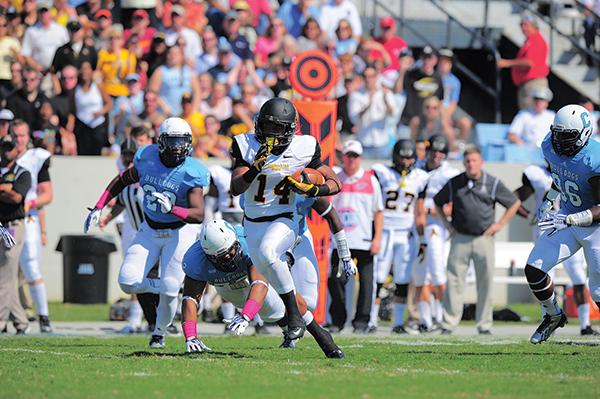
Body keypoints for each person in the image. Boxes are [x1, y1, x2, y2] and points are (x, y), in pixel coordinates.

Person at [83, 117, 209, 349]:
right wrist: (100, 206)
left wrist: (173, 209)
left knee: (170, 289)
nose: (179, 147)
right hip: (149, 229)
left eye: (183, 141)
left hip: (178, 233)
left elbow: (198, 213)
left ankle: (158, 333)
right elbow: (122, 180)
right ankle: (166, 286)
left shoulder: (192, 171)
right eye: (173, 141)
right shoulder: (146, 157)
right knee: (128, 281)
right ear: (161, 142)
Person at [230, 97, 342, 340]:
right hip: (253, 223)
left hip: (287, 219)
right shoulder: (245, 145)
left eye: (277, 128)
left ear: (290, 129)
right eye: (266, 126)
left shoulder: (304, 148)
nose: (270, 133)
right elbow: (236, 187)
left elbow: (335, 183)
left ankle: (293, 317)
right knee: (274, 278)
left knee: (275, 259)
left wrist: (314, 190)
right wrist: (253, 169)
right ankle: (313, 332)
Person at [182, 219, 345, 357]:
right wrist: (191, 336)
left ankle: (314, 334)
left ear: (236, 242)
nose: (228, 258)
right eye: (220, 256)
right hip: (225, 286)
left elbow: (260, 284)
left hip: (252, 273)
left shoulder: (248, 241)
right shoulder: (195, 260)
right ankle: (289, 331)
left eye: (230, 251)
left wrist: (246, 315)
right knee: (270, 312)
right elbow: (190, 299)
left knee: (282, 302)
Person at [525, 104, 600, 344]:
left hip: (594, 227)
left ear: (584, 133)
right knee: (534, 268)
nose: (560, 141)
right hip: (566, 217)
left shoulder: (594, 159)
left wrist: (575, 218)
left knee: (598, 291)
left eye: (567, 136)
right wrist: (549, 199)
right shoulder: (550, 144)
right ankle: (553, 315)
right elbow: (562, 176)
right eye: (557, 134)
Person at [434, 146, 520, 334]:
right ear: (464, 163)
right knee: (454, 281)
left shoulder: (492, 182)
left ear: (481, 162)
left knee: (485, 283)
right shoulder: (455, 183)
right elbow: (437, 201)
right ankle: (449, 324)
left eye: (474, 161)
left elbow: (514, 203)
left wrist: (499, 225)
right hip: (460, 238)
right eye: (467, 161)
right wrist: (448, 225)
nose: (471, 164)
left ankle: (484, 325)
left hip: (484, 238)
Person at [515, 162, 599, 336]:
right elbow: (515, 198)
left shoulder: (577, 168)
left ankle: (585, 324)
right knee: (543, 274)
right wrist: (530, 216)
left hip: (573, 225)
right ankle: (549, 320)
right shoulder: (535, 173)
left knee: (578, 277)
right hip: (548, 229)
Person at [370, 139, 429, 334]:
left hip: (406, 234)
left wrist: (423, 240)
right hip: (385, 231)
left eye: (410, 157)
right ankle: (372, 320)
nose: (406, 161)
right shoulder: (381, 173)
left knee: (403, 279)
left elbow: (419, 212)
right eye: (403, 157)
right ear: (395, 157)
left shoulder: (420, 177)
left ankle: (397, 322)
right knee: (378, 277)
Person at [329, 140, 383, 333]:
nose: (351, 160)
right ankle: (338, 320)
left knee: (367, 284)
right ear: (343, 156)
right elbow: (328, 207)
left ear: (360, 158)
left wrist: (377, 239)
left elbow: (378, 212)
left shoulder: (370, 180)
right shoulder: (335, 177)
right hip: (341, 241)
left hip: (364, 240)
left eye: (355, 156)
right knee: (336, 281)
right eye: (348, 155)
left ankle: (362, 322)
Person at [411, 135, 459, 331]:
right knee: (419, 274)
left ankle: (441, 317)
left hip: (435, 225)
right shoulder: (415, 170)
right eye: (434, 152)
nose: (437, 156)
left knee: (438, 272)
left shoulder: (449, 174)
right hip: (413, 226)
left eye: (441, 152)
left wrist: (432, 211)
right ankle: (425, 320)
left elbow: (454, 207)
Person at [13, 120, 53, 333]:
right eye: (15, 135)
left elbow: (47, 193)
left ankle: (44, 317)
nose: (18, 140)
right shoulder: (5, 156)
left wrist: (30, 202)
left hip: (27, 217)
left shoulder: (36, 158)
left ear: (28, 136)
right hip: (5, 218)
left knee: (31, 265)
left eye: (22, 135)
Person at [0, 132, 31, 335]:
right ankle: (21, 321)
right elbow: (7, 193)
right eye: (3, 147)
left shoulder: (23, 172)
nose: (6, 151)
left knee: (6, 272)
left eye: (9, 147)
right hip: (1, 225)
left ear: (16, 149)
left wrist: (6, 190)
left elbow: (16, 196)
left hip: (13, 225)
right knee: (5, 273)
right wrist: (4, 189)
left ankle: (1, 319)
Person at [497, 14, 549, 110]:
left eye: (526, 25)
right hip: (527, 84)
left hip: (534, 84)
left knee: (532, 115)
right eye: (521, 25)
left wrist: (506, 63)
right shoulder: (529, 41)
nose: (523, 28)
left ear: (533, 25)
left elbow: (529, 63)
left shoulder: (537, 40)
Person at [348, 66, 398, 159]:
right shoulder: (356, 95)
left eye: (371, 76)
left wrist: (385, 100)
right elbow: (354, 119)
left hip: (382, 144)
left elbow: (393, 114)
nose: (368, 79)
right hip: (364, 143)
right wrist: (368, 105)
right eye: (366, 76)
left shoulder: (386, 93)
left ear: (376, 77)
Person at [69, 61, 112, 155]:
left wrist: (101, 112)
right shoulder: (76, 90)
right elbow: (72, 109)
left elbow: (109, 103)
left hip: (97, 125)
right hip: (82, 126)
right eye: (82, 69)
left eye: (87, 68)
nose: (84, 71)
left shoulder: (97, 86)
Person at [20, 0, 69, 73]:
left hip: (59, 70)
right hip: (40, 72)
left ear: (50, 12)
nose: (43, 14)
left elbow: (68, 48)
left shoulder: (61, 29)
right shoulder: (31, 31)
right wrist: (36, 66)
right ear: (37, 13)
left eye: (45, 11)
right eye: (41, 12)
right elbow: (26, 53)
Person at [401, 46, 444, 125]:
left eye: (429, 58)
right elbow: (398, 90)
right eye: (424, 57)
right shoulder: (411, 75)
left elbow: (440, 100)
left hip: (428, 123)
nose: (426, 61)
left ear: (435, 60)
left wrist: (441, 119)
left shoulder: (438, 77)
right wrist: (402, 71)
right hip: (409, 120)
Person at [437, 48, 472, 142]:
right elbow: (435, 100)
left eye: (447, 62)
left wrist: (448, 115)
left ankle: (461, 146)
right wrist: (444, 116)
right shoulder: (433, 78)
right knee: (447, 127)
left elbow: (453, 102)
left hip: (449, 110)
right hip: (436, 109)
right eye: (442, 61)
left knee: (466, 123)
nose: (444, 65)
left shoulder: (455, 81)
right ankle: (452, 149)